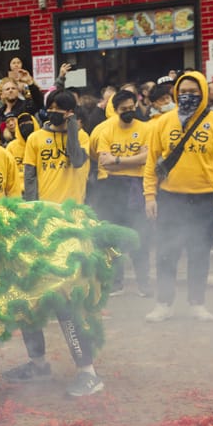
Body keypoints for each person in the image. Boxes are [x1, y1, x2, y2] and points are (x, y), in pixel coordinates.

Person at [5, 90, 105, 397]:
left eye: (60, 110)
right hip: (41, 227)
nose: (52, 113)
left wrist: (71, 127)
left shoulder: (83, 138)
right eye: (49, 108)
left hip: (72, 228)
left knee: (67, 302)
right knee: (28, 298)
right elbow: (30, 183)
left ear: (72, 113)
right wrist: (29, 221)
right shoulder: (35, 140)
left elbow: (76, 161)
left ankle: (88, 372)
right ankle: (38, 364)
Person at [143, 71, 213, 323]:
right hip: (170, 199)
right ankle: (164, 303)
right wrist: (150, 196)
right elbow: (152, 161)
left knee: (199, 253)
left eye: (194, 92)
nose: (188, 96)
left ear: (204, 93)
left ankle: (197, 303)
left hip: (204, 200)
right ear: (175, 93)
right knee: (166, 253)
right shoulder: (162, 122)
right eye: (183, 91)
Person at [93, 90, 152, 296]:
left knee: (140, 236)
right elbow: (104, 162)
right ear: (115, 110)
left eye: (131, 108)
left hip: (138, 186)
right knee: (114, 238)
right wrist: (131, 160)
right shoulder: (107, 131)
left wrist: (118, 160)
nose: (128, 112)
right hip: (113, 187)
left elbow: (147, 157)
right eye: (123, 109)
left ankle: (144, 284)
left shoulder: (146, 128)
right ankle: (117, 283)